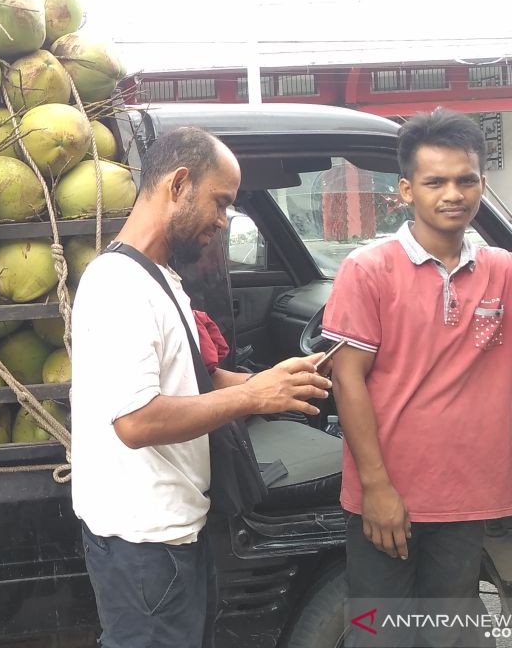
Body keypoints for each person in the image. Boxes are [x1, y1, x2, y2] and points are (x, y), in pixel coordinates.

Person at [71, 126, 332, 648]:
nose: (223, 219)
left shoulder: (158, 278)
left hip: (172, 532)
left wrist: (275, 382)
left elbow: (198, 378)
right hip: (143, 544)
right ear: (179, 183)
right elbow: (137, 421)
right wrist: (253, 397)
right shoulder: (118, 286)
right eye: (220, 202)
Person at [322, 109, 512, 647]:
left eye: (466, 179)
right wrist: (378, 487)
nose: (453, 193)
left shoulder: (501, 270)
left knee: (451, 631)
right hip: (388, 498)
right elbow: (348, 380)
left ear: (481, 183)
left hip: (467, 494)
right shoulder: (368, 270)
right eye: (435, 182)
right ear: (406, 190)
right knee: (378, 631)